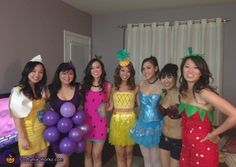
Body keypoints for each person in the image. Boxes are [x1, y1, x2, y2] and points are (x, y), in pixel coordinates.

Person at [178, 50, 236, 167]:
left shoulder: (203, 92)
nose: (190, 71)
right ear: (182, 69)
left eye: (195, 68)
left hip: (203, 148)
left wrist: (214, 133)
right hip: (186, 147)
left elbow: (234, 115)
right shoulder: (183, 91)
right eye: (187, 66)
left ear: (201, 72)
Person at [9, 55, 49, 167]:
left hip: (42, 132)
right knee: (26, 165)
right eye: (33, 71)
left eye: (40, 72)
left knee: (40, 164)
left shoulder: (41, 89)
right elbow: (17, 116)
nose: (37, 75)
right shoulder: (18, 90)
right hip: (28, 133)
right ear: (27, 71)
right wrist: (22, 138)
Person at [130, 56, 163, 167]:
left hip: (156, 126)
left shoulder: (163, 85)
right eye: (143, 69)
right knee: (146, 159)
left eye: (148, 68)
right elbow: (137, 103)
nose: (145, 71)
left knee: (156, 161)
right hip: (142, 125)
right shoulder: (141, 84)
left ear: (156, 68)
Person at [108, 49, 139, 167]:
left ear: (131, 73)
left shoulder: (136, 88)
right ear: (118, 72)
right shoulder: (113, 88)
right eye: (122, 70)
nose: (125, 74)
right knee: (120, 154)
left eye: (128, 71)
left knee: (129, 152)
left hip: (131, 122)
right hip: (117, 122)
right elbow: (110, 107)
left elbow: (140, 107)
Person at [48, 62, 80, 167]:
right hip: (55, 131)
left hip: (72, 130)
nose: (67, 76)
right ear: (59, 74)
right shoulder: (50, 89)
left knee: (66, 160)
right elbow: (36, 104)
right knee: (62, 161)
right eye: (64, 73)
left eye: (70, 73)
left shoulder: (78, 88)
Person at [81, 58, 112, 167]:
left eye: (98, 67)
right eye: (92, 68)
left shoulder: (107, 85)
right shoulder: (84, 85)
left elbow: (109, 106)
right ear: (89, 70)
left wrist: (104, 107)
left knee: (97, 155)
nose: (95, 70)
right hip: (86, 124)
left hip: (100, 124)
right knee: (87, 154)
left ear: (102, 69)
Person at [159, 63, 182, 167]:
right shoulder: (163, 94)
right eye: (163, 77)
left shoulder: (182, 94)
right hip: (164, 138)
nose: (166, 80)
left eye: (169, 76)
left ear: (176, 78)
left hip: (178, 141)